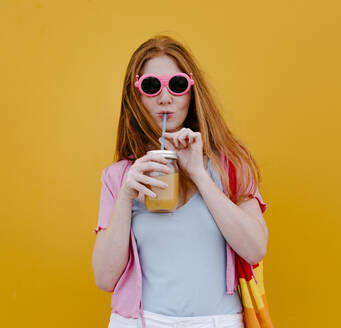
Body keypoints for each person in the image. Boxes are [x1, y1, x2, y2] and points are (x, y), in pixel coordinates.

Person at [91, 34, 269, 328]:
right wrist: (125, 195)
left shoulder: (231, 166)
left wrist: (199, 173)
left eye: (176, 85)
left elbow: (255, 249)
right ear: (135, 95)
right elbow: (104, 278)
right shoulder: (119, 177)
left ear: (191, 90)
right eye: (150, 86)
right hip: (143, 322)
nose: (165, 97)